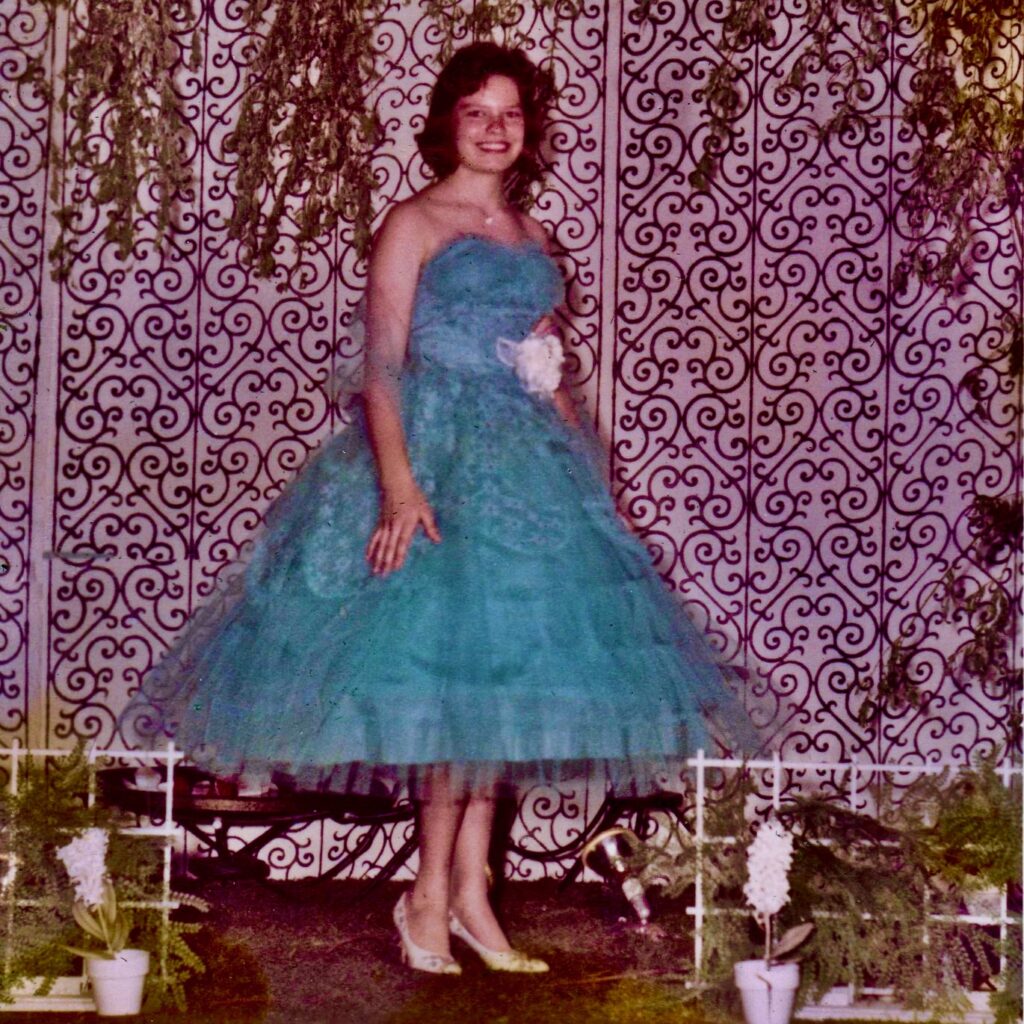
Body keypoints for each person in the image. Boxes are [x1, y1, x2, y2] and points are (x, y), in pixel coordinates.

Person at [121, 42, 759, 977]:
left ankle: (468, 896)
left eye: (511, 113)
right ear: (446, 125)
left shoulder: (531, 238)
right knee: (451, 690)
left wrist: (593, 485)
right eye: (476, 113)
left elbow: (545, 372)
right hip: (435, 460)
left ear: (529, 128)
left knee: (496, 692)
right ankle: (426, 897)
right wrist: (400, 486)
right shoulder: (413, 222)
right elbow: (381, 366)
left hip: (524, 473)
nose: (496, 129)